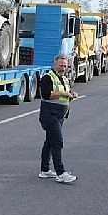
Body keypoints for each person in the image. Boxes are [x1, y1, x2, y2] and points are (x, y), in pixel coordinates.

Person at [38, 54, 79, 184]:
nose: (63, 68)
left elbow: (67, 92)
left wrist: (72, 94)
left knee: (49, 142)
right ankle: (60, 173)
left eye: (65, 66)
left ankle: (45, 170)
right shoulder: (47, 77)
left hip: (60, 116)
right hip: (50, 116)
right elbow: (46, 94)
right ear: (54, 64)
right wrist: (64, 93)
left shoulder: (64, 79)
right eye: (61, 65)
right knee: (57, 142)